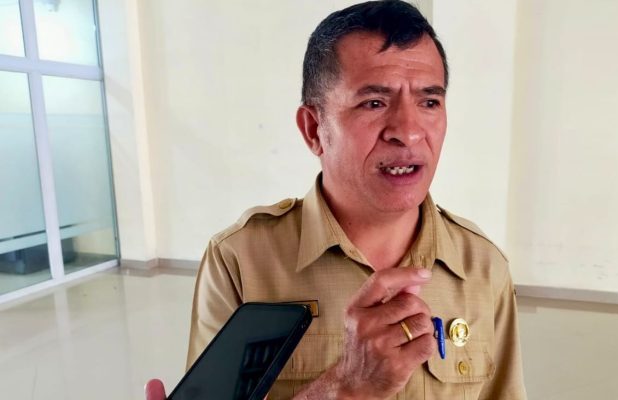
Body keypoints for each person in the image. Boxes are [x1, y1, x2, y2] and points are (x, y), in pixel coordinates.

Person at [146, 1, 526, 399]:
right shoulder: (241, 261)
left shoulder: (483, 267)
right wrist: (345, 386)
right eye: (374, 103)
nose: (409, 131)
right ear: (314, 129)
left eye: (429, 102)